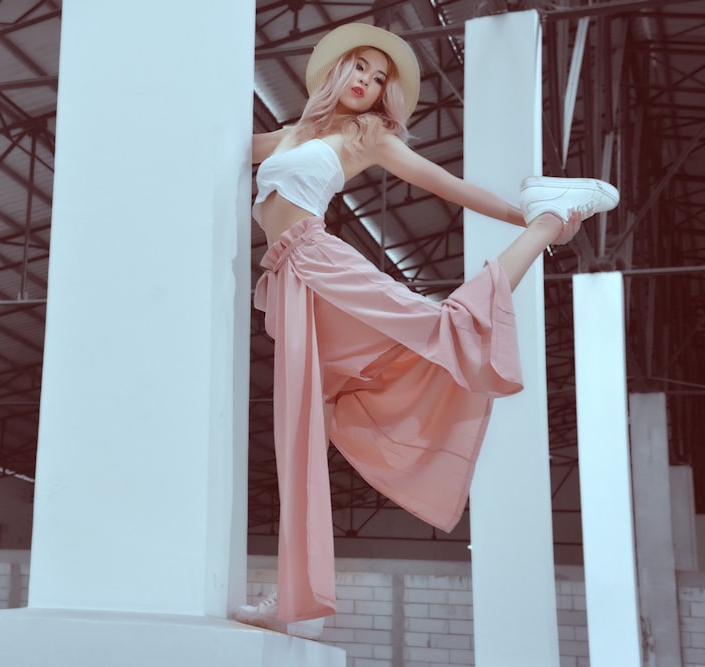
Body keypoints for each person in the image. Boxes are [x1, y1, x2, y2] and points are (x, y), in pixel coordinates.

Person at [232, 23, 618, 639]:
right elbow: (212, 144)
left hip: (321, 261)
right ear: (336, 73)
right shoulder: (288, 137)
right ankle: (292, 602)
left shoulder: (370, 136)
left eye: (379, 78)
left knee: (444, 328)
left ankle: (548, 218)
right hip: (292, 282)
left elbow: (449, 187)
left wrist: (524, 213)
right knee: (302, 426)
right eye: (359, 68)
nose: (367, 82)